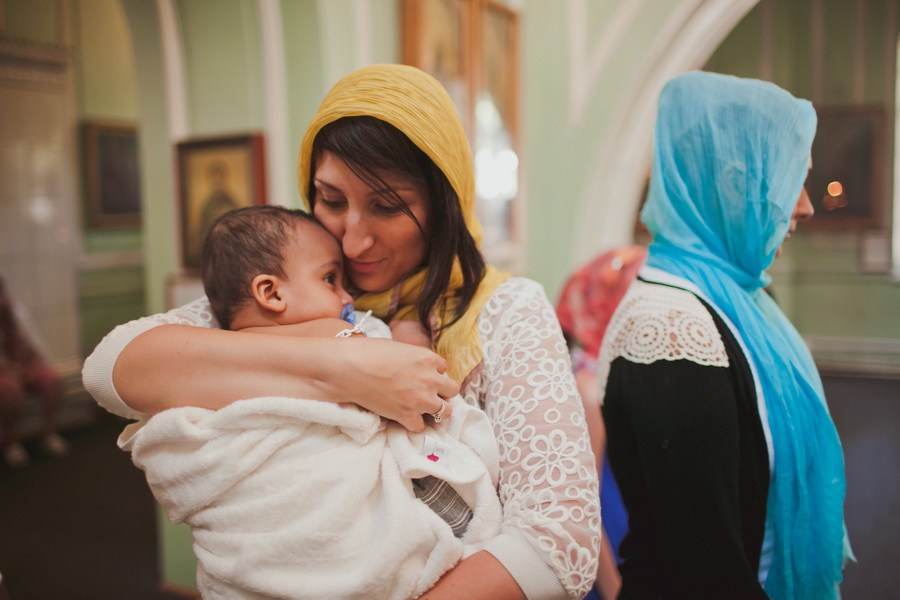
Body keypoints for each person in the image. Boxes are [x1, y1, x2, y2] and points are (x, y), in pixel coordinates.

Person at [82, 64, 600, 600]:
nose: (352, 243)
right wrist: (349, 366)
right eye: (331, 201)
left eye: (387, 206)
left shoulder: (505, 310)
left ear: (441, 206)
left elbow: (560, 543)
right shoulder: (288, 290)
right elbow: (110, 369)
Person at [122, 205, 503, 599]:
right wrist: (410, 341)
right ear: (270, 292)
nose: (346, 295)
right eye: (330, 278)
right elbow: (416, 387)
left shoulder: (206, 362)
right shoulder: (340, 333)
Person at [597, 71, 852, 599]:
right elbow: (703, 570)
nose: (803, 205)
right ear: (731, 184)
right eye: (789, 180)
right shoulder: (669, 325)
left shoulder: (739, 291)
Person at [555, 245, 646, 600]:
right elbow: (583, 504)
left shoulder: (610, 371)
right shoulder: (588, 385)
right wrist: (613, 589)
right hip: (604, 561)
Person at [0, 275, 70, 467]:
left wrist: (35, 363)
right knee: (9, 390)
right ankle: (11, 442)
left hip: (24, 363)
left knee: (52, 379)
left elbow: (34, 343)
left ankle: (49, 434)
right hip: (4, 371)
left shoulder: (16, 311)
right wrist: (12, 371)